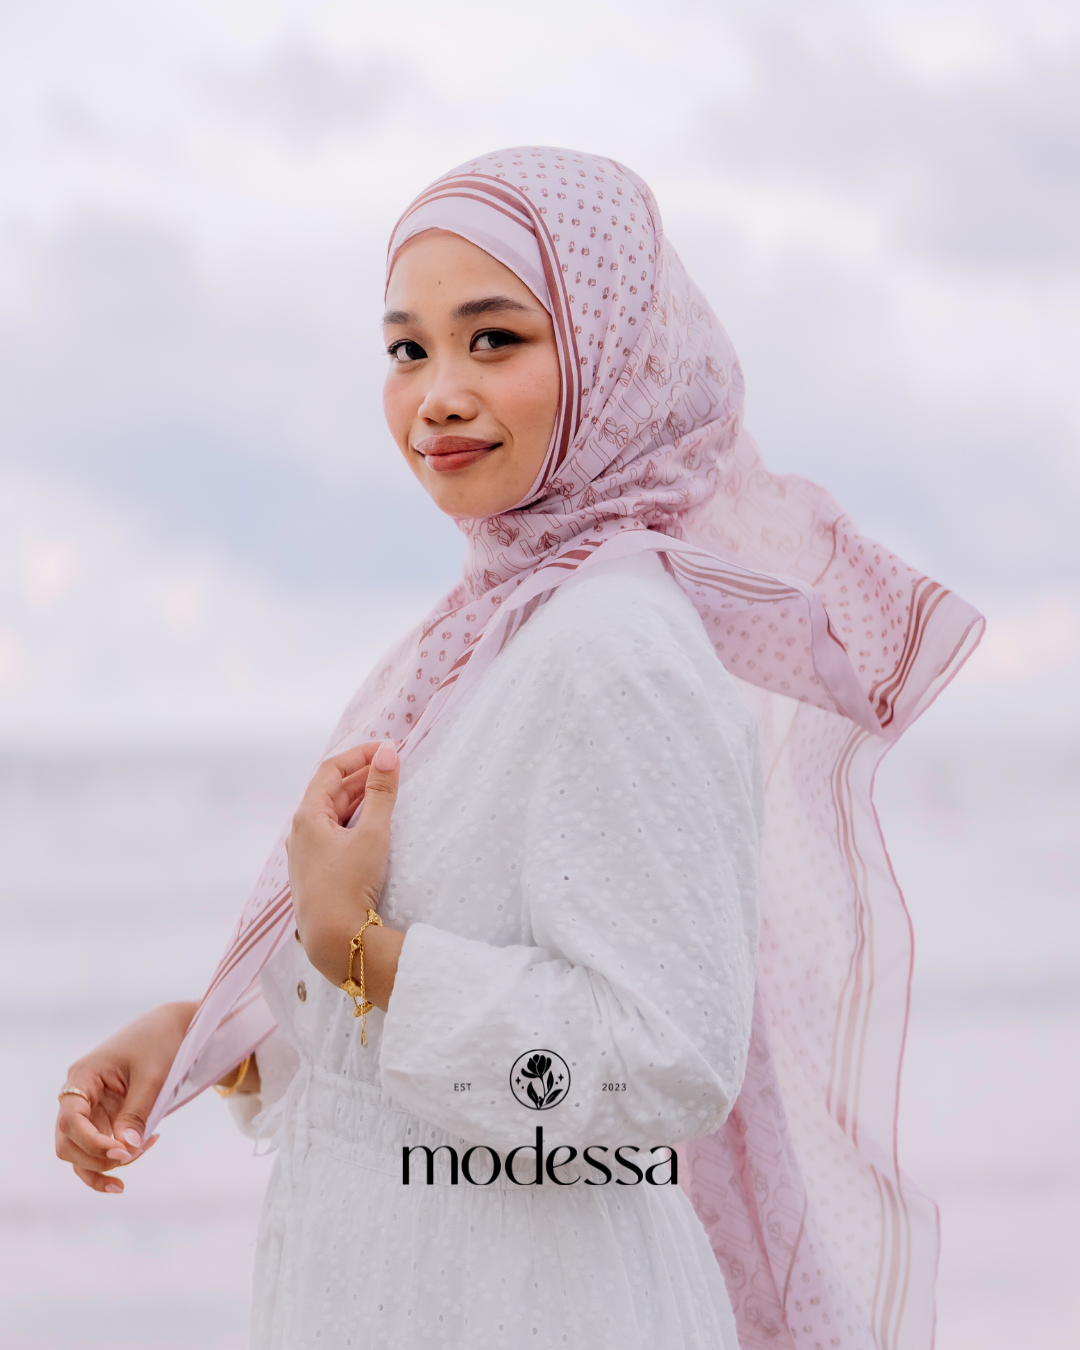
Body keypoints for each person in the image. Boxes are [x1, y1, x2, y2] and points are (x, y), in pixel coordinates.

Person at [55, 147, 982, 1350]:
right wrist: (211, 1040)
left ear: (613, 359)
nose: (438, 394)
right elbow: (433, 1041)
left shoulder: (615, 647)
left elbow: (662, 1062)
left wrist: (359, 952)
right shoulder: (496, 627)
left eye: (494, 339)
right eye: (408, 350)